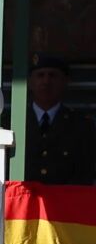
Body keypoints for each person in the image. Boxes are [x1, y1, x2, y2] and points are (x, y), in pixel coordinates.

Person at [28, 53, 96, 186]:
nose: (46, 81)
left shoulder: (82, 125)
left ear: (65, 81)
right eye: (40, 75)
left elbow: (86, 173)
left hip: (66, 203)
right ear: (30, 82)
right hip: (23, 203)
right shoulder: (12, 121)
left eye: (52, 75)